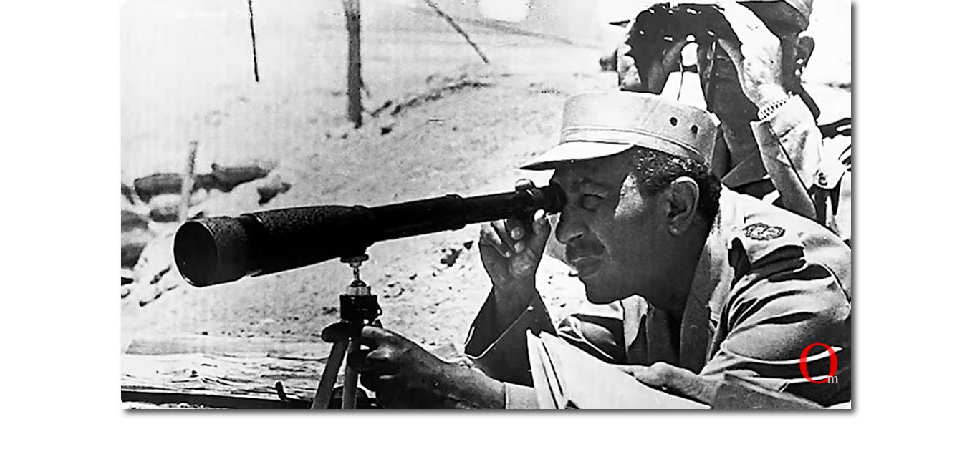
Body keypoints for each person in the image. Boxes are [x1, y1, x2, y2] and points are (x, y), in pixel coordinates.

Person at [354, 91, 851, 409]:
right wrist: (515, 292)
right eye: (560, 204)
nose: (565, 233)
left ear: (677, 206)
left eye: (591, 201)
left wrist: (449, 384)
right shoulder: (642, 272)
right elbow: (559, 384)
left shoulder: (794, 282)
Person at [615, 0, 846, 229]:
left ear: (800, 54)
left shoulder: (841, 158)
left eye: (742, 39)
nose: (719, 54)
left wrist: (770, 96)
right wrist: (636, 102)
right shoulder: (691, 155)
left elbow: (832, 242)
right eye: (706, 38)